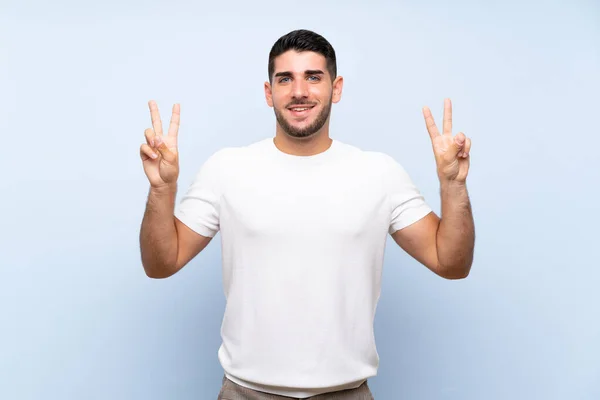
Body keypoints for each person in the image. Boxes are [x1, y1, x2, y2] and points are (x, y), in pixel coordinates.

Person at [139, 29, 475, 400]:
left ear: (337, 88)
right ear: (269, 93)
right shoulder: (227, 169)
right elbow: (161, 263)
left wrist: (453, 185)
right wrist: (161, 189)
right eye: (286, 79)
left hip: (346, 392)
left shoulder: (380, 173)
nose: (299, 91)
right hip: (245, 393)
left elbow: (452, 263)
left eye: (313, 77)